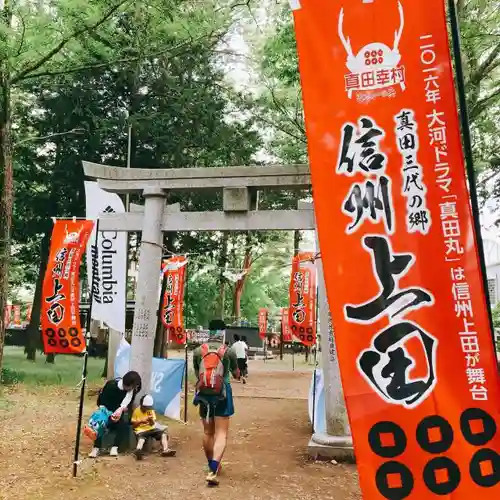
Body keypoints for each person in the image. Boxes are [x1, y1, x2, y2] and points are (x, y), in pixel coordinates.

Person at [193, 331, 240, 486]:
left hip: (204, 393)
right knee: (221, 433)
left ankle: (211, 464)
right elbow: (235, 373)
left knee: (207, 432)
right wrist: (237, 373)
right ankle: (213, 469)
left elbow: (196, 373)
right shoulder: (229, 351)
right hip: (223, 393)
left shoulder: (198, 351)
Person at [89, 370, 142, 458]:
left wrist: (121, 411)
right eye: (133, 386)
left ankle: (115, 447)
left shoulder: (130, 392)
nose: (133, 389)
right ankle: (96, 448)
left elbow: (125, 405)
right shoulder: (110, 386)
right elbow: (101, 403)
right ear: (127, 385)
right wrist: (108, 414)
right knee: (100, 423)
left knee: (123, 426)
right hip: (105, 412)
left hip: (118, 415)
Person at [131, 394, 176, 460]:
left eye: (148, 407)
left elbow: (152, 424)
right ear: (142, 405)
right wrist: (142, 421)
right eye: (145, 407)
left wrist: (151, 420)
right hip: (140, 430)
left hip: (151, 428)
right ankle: (138, 451)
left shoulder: (150, 411)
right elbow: (134, 425)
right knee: (141, 438)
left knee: (163, 434)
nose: (147, 409)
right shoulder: (136, 411)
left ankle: (165, 449)